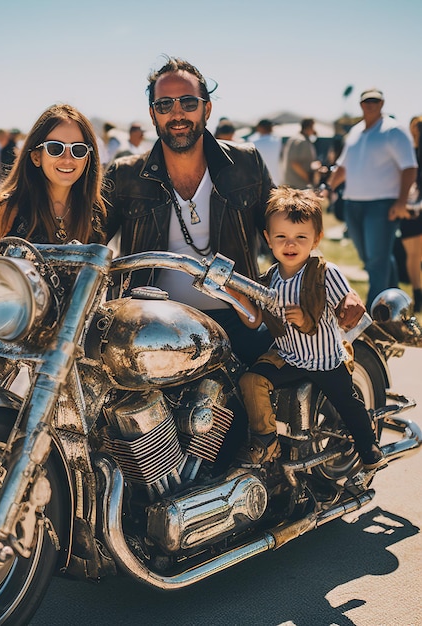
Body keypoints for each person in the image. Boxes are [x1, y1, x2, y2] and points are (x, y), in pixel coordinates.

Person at [103, 56, 364, 368]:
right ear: (152, 114)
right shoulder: (125, 175)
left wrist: (340, 289)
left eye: (188, 102)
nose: (177, 113)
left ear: (207, 109)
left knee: (264, 399)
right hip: (148, 325)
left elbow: (292, 229)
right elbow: (87, 237)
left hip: (237, 317)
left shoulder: (245, 164)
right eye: (164, 105)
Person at [232, 187, 386, 470]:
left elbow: (346, 299)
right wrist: (235, 296)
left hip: (324, 359)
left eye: (300, 237)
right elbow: (254, 320)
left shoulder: (324, 273)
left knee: (347, 402)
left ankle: (368, 445)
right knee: (250, 381)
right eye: (281, 237)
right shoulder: (269, 281)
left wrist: (349, 303)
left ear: (316, 239)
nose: (290, 244)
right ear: (268, 238)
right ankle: (266, 440)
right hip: (288, 357)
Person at [0, 103, 107, 378]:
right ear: (36, 156)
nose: (67, 158)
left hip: (73, 358)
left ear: (88, 158)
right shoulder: (6, 209)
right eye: (55, 148)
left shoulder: (93, 212)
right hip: (15, 351)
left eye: (77, 150)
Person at [326, 89, 418, 308]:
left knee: (376, 261)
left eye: (375, 100)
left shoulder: (394, 131)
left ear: (382, 103)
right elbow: (343, 167)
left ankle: (371, 317)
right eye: (367, 100)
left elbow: (410, 167)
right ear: (360, 104)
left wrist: (401, 202)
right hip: (352, 204)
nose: (370, 104)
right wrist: (326, 187)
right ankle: (395, 303)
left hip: (382, 204)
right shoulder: (356, 132)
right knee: (372, 259)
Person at [399, 115, 422, 312]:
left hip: (411, 210)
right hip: (411, 210)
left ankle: (418, 294)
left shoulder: (408, 154)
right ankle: (418, 295)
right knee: (415, 256)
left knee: (414, 256)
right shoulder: (408, 153)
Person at [280, 118, 320, 189]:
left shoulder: (294, 139)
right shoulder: (301, 141)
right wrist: (308, 179)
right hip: (298, 186)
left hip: (293, 184)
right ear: (310, 127)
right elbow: (294, 163)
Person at [248, 119, 282, 185]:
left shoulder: (253, 143)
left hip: (260, 180)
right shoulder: (278, 141)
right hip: (277, 179)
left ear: (259, 128)